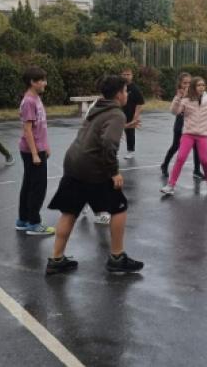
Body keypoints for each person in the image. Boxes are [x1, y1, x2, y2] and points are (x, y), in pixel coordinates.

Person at [45, 75, 144, 275]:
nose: (127, 94)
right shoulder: (117, 113)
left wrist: (124, 127)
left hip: (73, 163)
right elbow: (108, 142)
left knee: (70, 211)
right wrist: (114, 171)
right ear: (118, 94)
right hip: (92, 167)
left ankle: (56, 259)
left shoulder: (98, 106)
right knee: (119, 207)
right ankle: (117, 257)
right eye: (125, 91)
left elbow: (99, 131)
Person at [160, 77, 207, 195]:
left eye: (203, 85)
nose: (201, 87)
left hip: (203, 135)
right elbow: (174, 112)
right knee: (181, 158)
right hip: (188, 134)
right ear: (194, 87)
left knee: (205, 161)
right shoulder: (186, 99)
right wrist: (177, 98)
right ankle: (170, 185)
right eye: (199, 85)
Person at [16, 67, 55, 236]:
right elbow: (28, 130)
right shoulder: (29, 101)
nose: (45, 83)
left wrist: (45, 145)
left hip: (38, 148)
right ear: (33, 82)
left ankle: (23, 220)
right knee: (37, 187)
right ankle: (33, 223)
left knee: (29, 185)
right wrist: (34, 153)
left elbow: (40, 127)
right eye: (42, 80)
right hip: (32, 151)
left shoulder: (36, 98)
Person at [160, 72, 203, 179]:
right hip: (180, 126)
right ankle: (164, 165)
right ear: (180, 84)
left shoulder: (196, 95)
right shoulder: (178, 96)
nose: (187, 85)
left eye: (189, 82)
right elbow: (173, 111)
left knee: (197, 147)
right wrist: (180, 98)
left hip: (193, 126)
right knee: (175, 146)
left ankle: (196, 171)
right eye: (184, 83)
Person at [120, 67, 144, 160]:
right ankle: (113, 151)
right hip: (119, 113)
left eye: (128, 75)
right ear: (121, 75)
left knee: (130, 132)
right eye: (124, 75)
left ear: (132, 76)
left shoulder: (135, 89)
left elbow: (140, 103)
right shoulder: (119, 87)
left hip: (130, 114)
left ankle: (130, 151)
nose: (126, 76)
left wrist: (136, 115)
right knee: (116, 132)